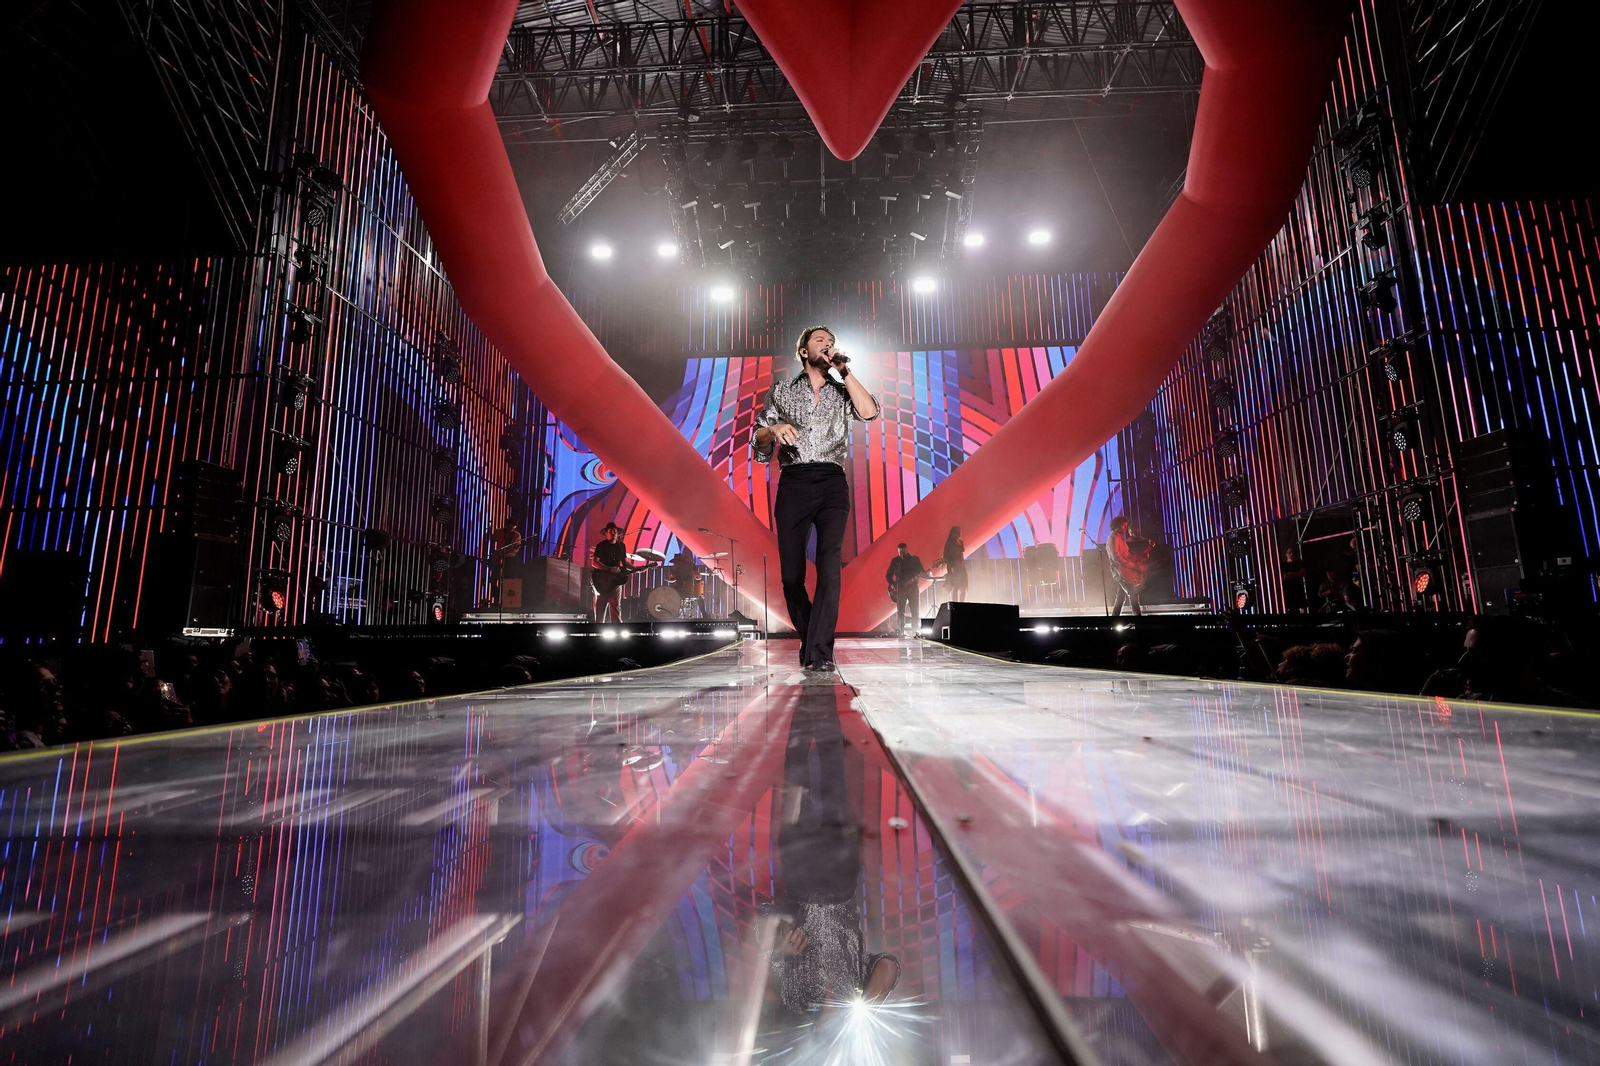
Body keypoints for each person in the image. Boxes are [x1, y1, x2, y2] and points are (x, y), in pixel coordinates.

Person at [753, 325, 879, 671]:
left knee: (829, 565)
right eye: (820, 341)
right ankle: (812, 641)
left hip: (831, 482)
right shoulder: (781, 390)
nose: (828, 345)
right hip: (793, 481)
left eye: (832, 342)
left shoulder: (842, 391)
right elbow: (760, 445)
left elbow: (869, 412)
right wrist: (773, 429)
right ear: (804, 351)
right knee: (791, 577)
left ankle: (820, 653)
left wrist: (846, 371)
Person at [587, 522, 634, 622]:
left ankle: (617, 631)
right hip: (602, 580)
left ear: (617, 533)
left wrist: (637, 568)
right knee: (600, 607)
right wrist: (608, 569)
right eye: (611, 531)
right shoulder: (601, 545)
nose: (613, 533)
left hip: (616, 580)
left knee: (616, 606)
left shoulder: (621, 546)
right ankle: (598, 633)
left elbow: (625, 563)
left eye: (615, 531)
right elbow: (594, 562)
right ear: (606, 533)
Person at [1108, 516, 1154, 618]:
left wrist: (1141, 557)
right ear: (1116, 525)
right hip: (1119, 570)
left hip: (1124, 570)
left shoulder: (1121, 539)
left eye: (1126, 525)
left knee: (1120, 597)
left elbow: (1128, 556)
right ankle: (1138, 621)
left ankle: (1113, 620)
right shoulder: (1113, 538)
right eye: (1123, 525)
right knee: (1133, 594)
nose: (1125, 527)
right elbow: (1116, 557)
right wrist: (1131, 565)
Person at [884, 543, 924, 633]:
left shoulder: (915, 559)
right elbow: (888, 575)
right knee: (900, 610)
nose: (901, 554)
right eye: (899, 552)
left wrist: (923, 573)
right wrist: (892, 584)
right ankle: (901, 630)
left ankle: (915, 630)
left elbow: (921, 571)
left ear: (907, 550)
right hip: (900, 589)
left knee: (914, 609)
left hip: (912, 587)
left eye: (903, 552)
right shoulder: (895, 561)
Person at [941, 525, 968, 603]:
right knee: (956, 587)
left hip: (961, 566)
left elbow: (961, 553)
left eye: (960, 532)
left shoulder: (961, 542)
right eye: (958, 532)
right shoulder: (949, 544)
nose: (960, 533)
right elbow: (946, 557)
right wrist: (951, 566)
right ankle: (955, 604)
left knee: (964, 587)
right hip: (954, 567)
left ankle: (961, 603)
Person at [1281, 546, 1309, 613]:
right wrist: (1297, 574)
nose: (1292, 554)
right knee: (1289, 608)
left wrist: (1291, 574)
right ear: (1286, 554)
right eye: (1290, 553)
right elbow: (1284, 576)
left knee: (1302, 608)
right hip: (1288, 589)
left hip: (1299, 589)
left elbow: (1303, 573)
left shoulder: (1300, 564)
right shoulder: (1284, 565)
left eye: (1293, 553)